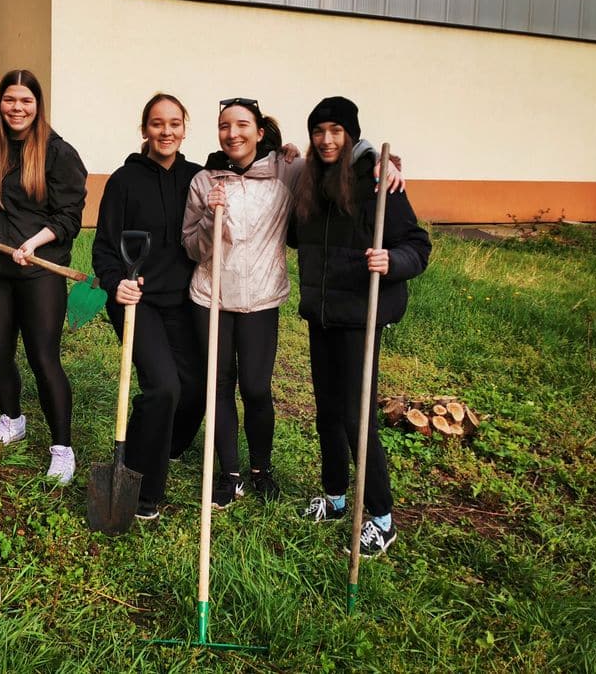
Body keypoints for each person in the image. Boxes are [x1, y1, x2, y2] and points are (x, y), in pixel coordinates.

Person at [183, 98, 402, 510]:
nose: (233, 134)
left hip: (262, 297)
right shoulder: (203, 180)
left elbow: (335, 160)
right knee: (220, 386)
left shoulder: (289, 170)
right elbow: (193, 248)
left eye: (242, 125)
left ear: (260, 131)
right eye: (224, 126)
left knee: (255, 387)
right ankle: (228, 474)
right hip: (210, 296)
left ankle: (260, 469)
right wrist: (212, 218)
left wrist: (382, 161)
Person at [293, 96, 430, 558]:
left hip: (360, 318)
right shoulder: (311, 181)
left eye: (335, 130)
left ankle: (383, 518)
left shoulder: (377, 180)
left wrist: (392, 261)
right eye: (318, 131)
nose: (327, 140)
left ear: (350, 133)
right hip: (322, 314)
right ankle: (334, 498)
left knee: (357, 417)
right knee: (327, 412)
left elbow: (417, 243)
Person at [0, 69, 87, 484]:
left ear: (37, 105)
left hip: (38, 271)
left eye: (25, 101)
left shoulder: (58, 153)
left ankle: (62, 447)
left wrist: (36, 242)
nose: (17, 108)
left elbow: (69, 216)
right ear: (0, 103)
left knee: (43, 358)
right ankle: (13, 419)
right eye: (10, 100)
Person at [92, 92, 206, 520]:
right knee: (163, 389)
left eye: (174, 123)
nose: (166, 131)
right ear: (145, 130)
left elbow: (247, 157)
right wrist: (114, 284)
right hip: (138, 302)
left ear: (184, 127)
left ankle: (168, 444)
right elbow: (104, 248)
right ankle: (143, 487)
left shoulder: (198, 177)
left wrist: (280, 148)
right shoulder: (124, 181)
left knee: (197, 388)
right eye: (157, 123)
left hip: (185, 301)